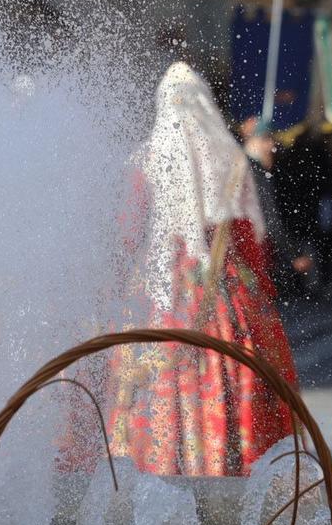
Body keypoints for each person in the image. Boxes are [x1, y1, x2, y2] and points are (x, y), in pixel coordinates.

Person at [105, 63, 299, 476]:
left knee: (154, 374)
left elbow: (127, 236)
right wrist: (262, 298)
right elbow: (250, 240)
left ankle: (157, 463)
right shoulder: (232, 159)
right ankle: (234, 461)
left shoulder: (145, 160)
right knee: (232, 368)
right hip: (223, 287)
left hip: (159, 286)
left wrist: (117, 292)